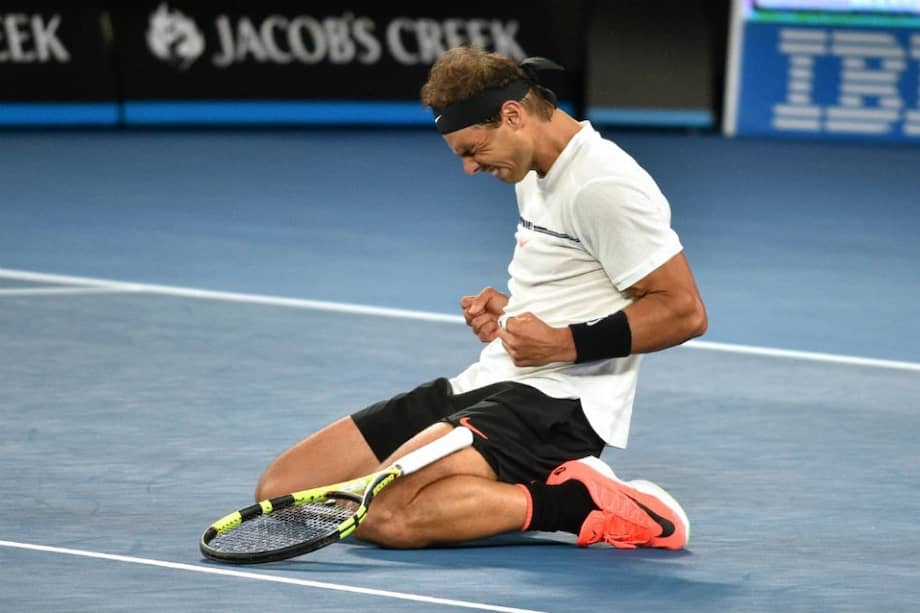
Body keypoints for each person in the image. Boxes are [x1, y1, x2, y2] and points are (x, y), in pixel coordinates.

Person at [255, 46, 707, 550]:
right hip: (494, 380)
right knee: (285, 491)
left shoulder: (600, 185)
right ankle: (469, 489)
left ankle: (582, 505)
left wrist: (563, 343)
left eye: (472, 151)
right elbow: (578, 281)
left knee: (384, 515)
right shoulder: (535, 165)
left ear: (513, 116)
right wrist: (511, 311)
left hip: (559, 406)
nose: (469, 169)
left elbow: (683, 310)